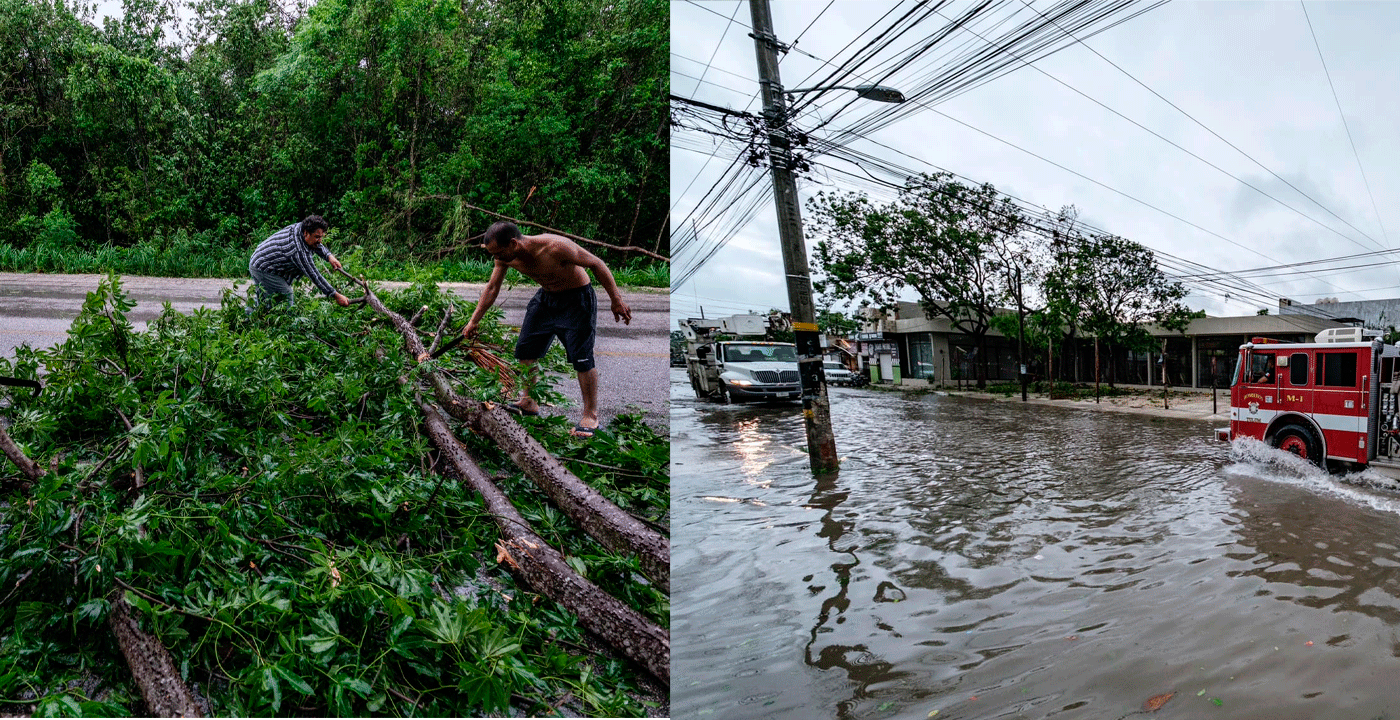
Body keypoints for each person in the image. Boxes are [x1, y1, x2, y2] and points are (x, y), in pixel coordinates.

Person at [452, 221, 632, 438]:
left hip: (576, 300)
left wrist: (616, 300)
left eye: (499, 252)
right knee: (525, 350)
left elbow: (596, 264)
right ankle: (528, 402)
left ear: (513, 243)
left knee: (582, 358)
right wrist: (473, 321)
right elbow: (492, 288)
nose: (496, 258)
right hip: (546, 299)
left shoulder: (555, 247)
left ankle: (590, 415)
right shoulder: (504, 257)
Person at [247, 215, 349, 312]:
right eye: (317, 237)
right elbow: (314, 275)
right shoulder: (298, 250)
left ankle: (248, 319)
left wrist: (329, 256)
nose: (320, 240)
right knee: (285, 295)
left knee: (264, 301)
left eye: (321, 237)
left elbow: (315, 243)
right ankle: (286, 326)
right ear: (306, 233)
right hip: (263, 268)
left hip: (264, 262)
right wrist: (335, 295)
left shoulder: (302, 227)